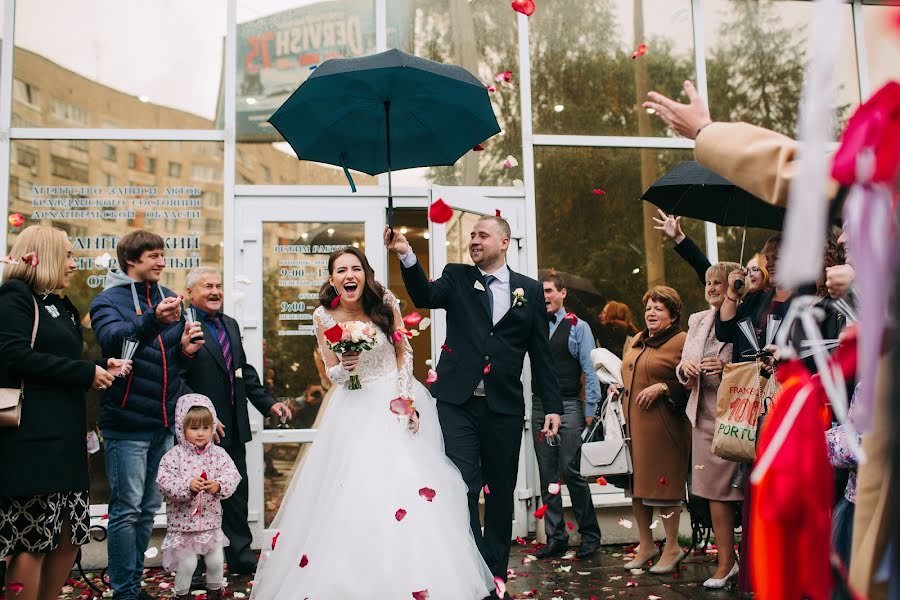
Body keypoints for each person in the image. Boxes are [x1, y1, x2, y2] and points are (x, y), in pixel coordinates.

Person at [250, 247, 494, 599]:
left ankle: (415, 577)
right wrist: (344, 366)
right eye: (341, 270)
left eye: (356, 268)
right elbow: (331, 371)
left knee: (405, 484)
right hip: (353, 407)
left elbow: (402, 353)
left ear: (365, 273)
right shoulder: (323, 315)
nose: (350, 275)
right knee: (352, 489)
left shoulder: (385, 302)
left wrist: (405, 400)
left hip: (392, 400)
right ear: (332, 279)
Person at [386, 217, 562, 586]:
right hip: (456, 403)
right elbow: (425, 297)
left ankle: (495, 578)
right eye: (471, 235)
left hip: (503, 408)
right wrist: (406, 254)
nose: (474, 241)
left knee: (500, 494)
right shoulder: (458, 277)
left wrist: (552, 408)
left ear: (504, 242)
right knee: (461, 484)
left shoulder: (529, 291)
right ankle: (472, 571)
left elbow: (541, 357)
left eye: (482, 235)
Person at [0, 226, 130, 600]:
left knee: (68, 535)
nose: (73, 264)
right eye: (68, 255)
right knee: (31, 537)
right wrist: (84, 373)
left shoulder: (62, 304)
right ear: (45, 256)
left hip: (68, 437)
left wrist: (101, 365)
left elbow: (65, 360)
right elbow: (13, 356)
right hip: (31, 440)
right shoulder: (15, 298)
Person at [89, 230, 204, 600]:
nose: (161, 261)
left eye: (162, 254)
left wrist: (185, 350)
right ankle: (124, 591)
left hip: (162, 421)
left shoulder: (169, 298)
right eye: (153, 255)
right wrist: (154, 319)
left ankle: (134, 586)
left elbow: (168, 361)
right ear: (131, 261)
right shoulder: (107, 301)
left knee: (148, 509)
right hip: (126, 422)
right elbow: (112, 339)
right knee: (126, 509)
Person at [180, 267, 291, 574]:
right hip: (200, 430)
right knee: (200, 500)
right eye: (207, 287)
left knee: (235, 494)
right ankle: (200, 564)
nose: (215, 291)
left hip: (234, 425)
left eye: (218, 286)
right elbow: (176, 376)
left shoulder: (230, 323)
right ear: (190, 293)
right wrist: (200, 415)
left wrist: (268, 405)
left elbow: (243, 371)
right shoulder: (181, 326)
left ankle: (241, 557)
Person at [676, 262, 743, 589]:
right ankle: (726, 562)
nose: (713, 287)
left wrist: (726, 366)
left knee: (742, 492)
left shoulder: (745, 317)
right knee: (715, 493)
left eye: (719, 282)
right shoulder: (697, 320)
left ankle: (749, 559)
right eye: (709, 282)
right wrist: (686, 372)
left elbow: (756, 361)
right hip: (704, 417)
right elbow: (683, 367)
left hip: (737, 415)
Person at [615, 286, 689, 575]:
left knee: (663, 489)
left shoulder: (682, 340)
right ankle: (646, 545)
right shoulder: (637, 339)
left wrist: (663, 387)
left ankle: (672, 546)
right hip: (634, 424)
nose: (651, 313)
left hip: (664, 426)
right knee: (637, 489)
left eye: (659, 308)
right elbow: (628, 370)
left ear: (672, 315)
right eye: (648, 308)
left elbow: (692, 381)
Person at [531, 274, 602, 560]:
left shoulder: (578, 327)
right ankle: (556, 537)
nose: (544, 296)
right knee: (547, 475)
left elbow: (589, 367)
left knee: (572, 472)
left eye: (549, 290)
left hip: (570, 405)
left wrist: (590, 410)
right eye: (540, 292)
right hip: (538, 406)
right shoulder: (533, 325)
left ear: (562, 293)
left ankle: (590, 535)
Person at [156, 394, 241, 600]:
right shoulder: (174, 456)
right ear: (181, 429)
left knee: (216, 562)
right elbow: (164, 482)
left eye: (206, 428)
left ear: (213, 427)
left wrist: (218, 485)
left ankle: (215, 594)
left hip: (211, 523)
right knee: (188, 564)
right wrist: (188, 486)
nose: (201, 434)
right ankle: (181, 595)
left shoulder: (218, 455)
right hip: (184, 526)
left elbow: (232, 475)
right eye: (194, 428)